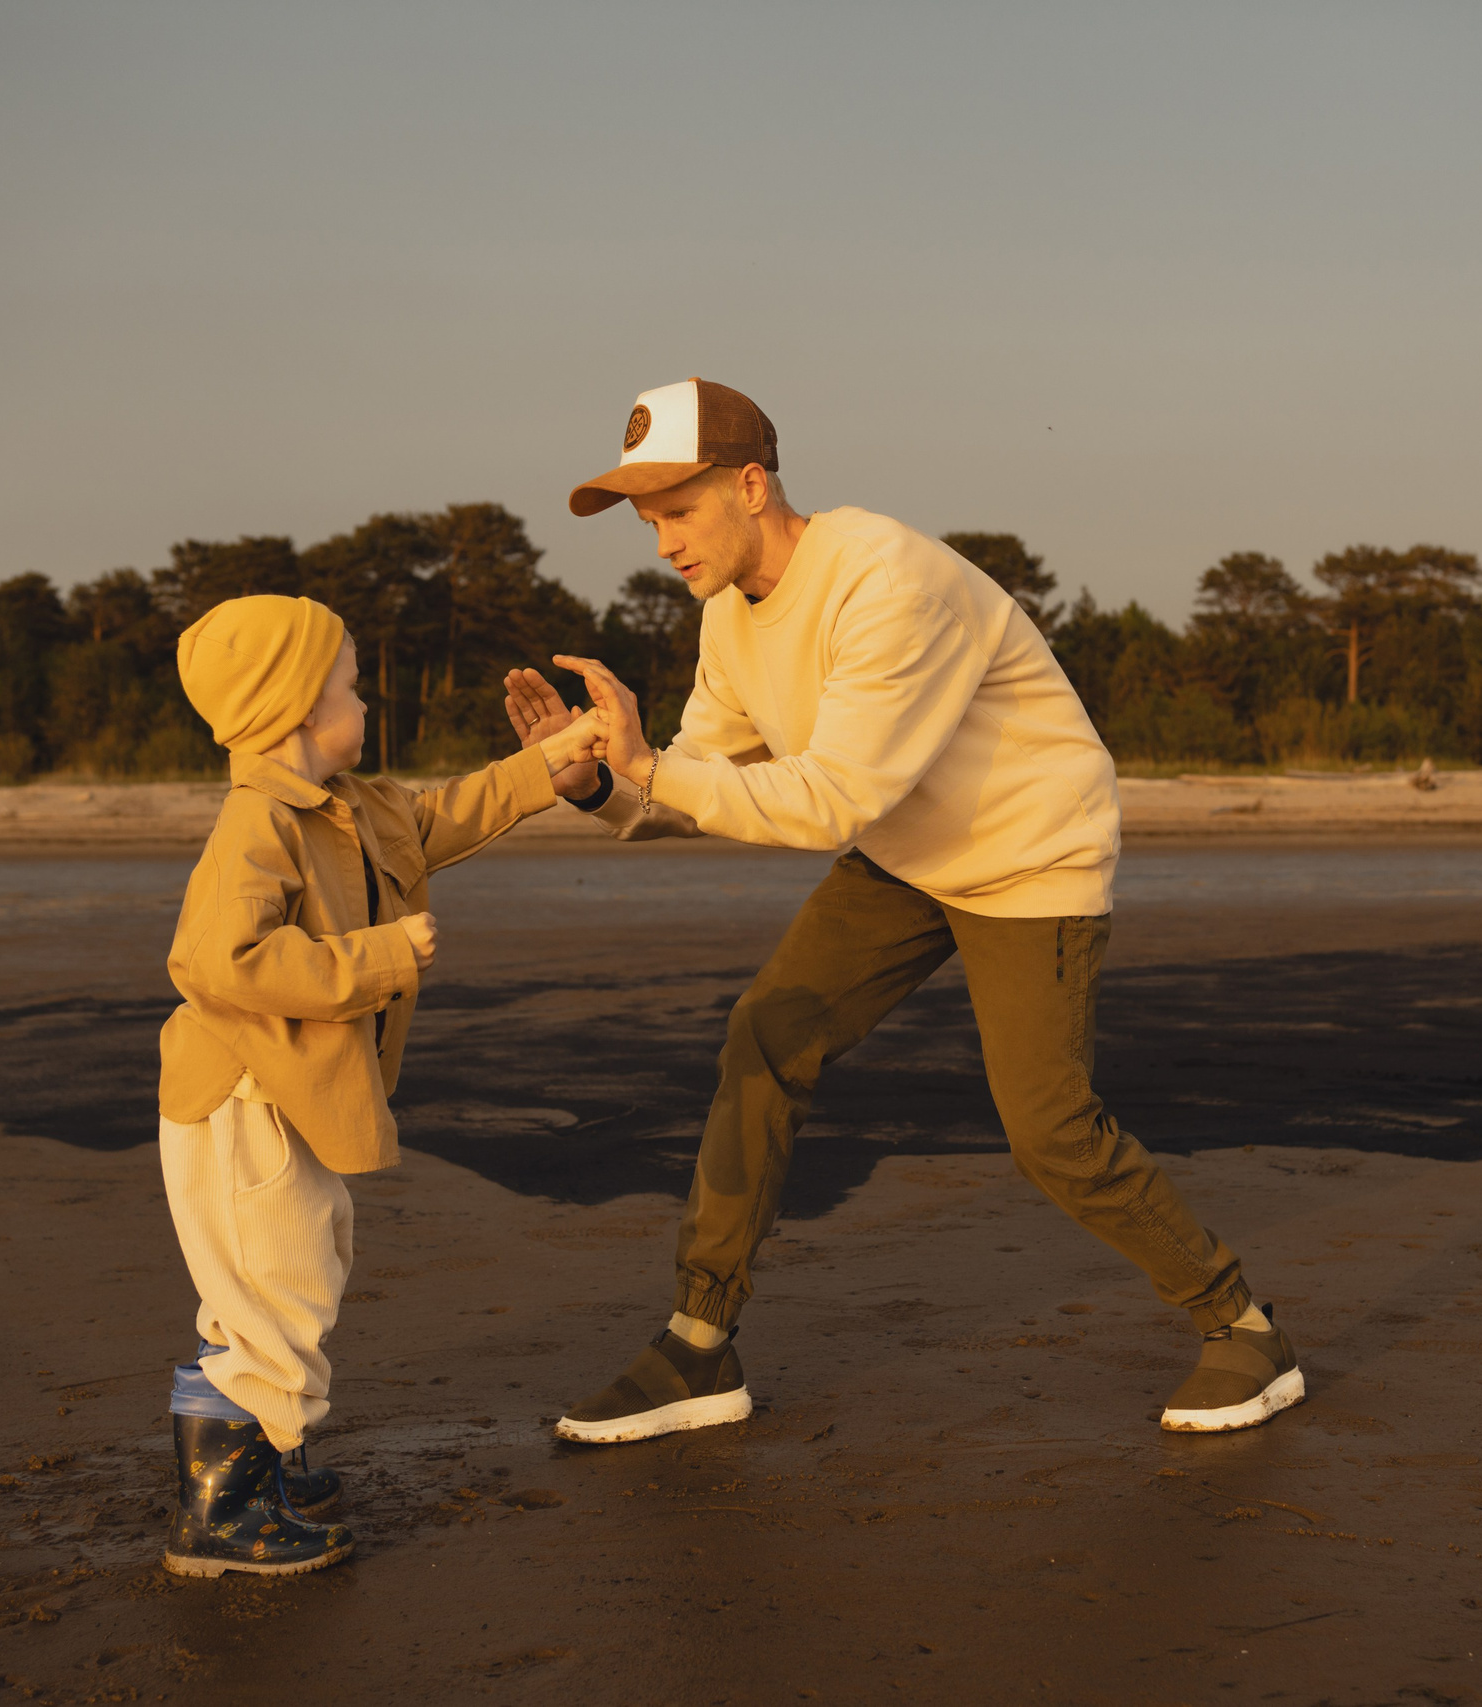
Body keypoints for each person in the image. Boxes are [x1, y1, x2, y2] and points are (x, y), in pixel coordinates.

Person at [502, 376, 1303, 1445]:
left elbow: (831, 796)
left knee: (1049, 1128)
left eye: (679, 512)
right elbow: (692, 779)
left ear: (750, 485)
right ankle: (698, 1346)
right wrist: (600, 783)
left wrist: (651, 768)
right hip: (908, 854)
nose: (662, 545)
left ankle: (1243, 1329)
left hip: (1028, 855)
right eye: (649, 522)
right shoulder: (729, 622)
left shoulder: (885, 579)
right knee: (767, 1037)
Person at [157, 593, 603, 1577]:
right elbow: (219, 961)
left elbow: (443, 816)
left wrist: (549, 764)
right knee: (276, 1294)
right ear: (292, 710)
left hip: (292, 1095)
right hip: (245, 1102)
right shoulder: (258, 824)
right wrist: (377, 955)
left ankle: (269, 1460)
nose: (367, 697)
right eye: (350, 684)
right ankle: (221, 1513)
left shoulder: (349, 806)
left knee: (292, 1274)